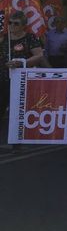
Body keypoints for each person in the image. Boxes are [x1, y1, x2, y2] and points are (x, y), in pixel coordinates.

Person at [0, 11, 44, 149]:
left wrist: (21, 62)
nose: (12, 26)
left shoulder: (30, 38)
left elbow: (39, 55)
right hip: (4, 79)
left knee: (18, 111)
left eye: (16, 23)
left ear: (23, 25)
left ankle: (16, 141)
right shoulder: (3, 38)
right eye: (10, 23)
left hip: (21, 80)